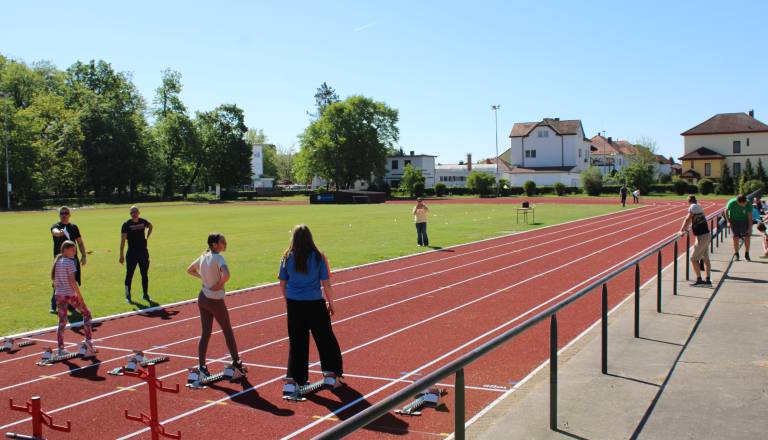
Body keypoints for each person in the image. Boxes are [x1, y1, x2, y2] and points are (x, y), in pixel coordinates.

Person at [279, 224, 343, 393]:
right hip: (314, 304)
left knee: (297, 343)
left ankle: (294, 379)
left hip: (294, 304)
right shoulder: (319, 256)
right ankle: (331, 374)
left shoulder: (286, 257)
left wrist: (289, 301)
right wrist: (332, 304)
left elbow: (282, 283)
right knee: (325, 339)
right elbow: (326, 284)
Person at [186, 233, 247, 379]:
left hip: (202, 297)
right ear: (214, 244)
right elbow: (227, 274)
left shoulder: (203, 256)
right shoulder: (218, 258)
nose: (225, 243)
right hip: (214, 300)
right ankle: (237, 363)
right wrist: (219, 285)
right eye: (222, 241)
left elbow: (190, 270)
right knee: (227, 331)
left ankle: (202, 367)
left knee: (205, 333)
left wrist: (203, 277)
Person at [52, 240, 96, 357]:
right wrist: (80, 297)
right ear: (65, 250)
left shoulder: (58, 262)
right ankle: (88, 342)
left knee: (62, 321)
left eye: (75, 250)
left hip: (59, 295)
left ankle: (60, 348)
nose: (75, 252)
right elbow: (73, 281)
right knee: (87, 313)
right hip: (69, 294)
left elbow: (55, 281)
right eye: (72, 250)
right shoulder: (70, 262)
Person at [50, 206, 87, 314]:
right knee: (58, 282)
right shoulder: (56, 226)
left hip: (72, 259)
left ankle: (71, 305)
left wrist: (84, 255)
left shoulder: (74, 227)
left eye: (66, 213)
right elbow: (55, 232)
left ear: (69, 215)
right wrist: (60, 233)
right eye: (62, 213)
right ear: (59, 215)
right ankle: (54, 305)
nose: (64, 215)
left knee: (72, 282)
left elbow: (80, 242)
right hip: (60, 260)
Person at [120, 206, 153, 303]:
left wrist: (147, 236)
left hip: (143, 252)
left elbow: (151, 226)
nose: (133, 214)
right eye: (131, 213)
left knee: (144, 274)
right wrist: (121, 255)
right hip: (132, 254)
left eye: (135, 212)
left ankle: (145, 294)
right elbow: (122, 241)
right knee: (129, 275)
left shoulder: (143, 222)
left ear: (139, 212)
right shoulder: (126, 225)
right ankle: (128, 296)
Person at [679, 195, 711, 286]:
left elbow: (688, 219)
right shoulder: (699, 206)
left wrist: (681, 230)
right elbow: (693, 220)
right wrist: (688, 228)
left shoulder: (692, 207)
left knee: (693, 259)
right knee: (706, 258)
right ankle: (708, 280)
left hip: (702, 236)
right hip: (705, 234)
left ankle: (699, 280)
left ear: (689, 201)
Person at [724, 194, 753, 261]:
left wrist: (750, 228)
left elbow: (750, 216)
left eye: (745, 203)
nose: (744, 205)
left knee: (747, 236)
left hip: (744, 221)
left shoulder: (748, 203)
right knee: (735, 237)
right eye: (743, 204)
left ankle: (747, 254)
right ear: (738, 202)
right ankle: (736, 254)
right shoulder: (732, 203)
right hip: (734, 221)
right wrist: (728, 221)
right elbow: (725, 210)